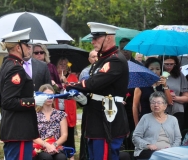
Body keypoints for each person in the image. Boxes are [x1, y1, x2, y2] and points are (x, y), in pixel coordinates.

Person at [66, 22, 129, 160]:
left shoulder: (115, 60)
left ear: (108, 38)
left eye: (96, 38)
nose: (93, 41)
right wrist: (82, 98)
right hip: (96, 118)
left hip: (107, 119)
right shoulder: (102, 60)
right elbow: (97, 89)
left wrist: (74, 85)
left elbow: (94, 83)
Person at [0, 28, 48, 160]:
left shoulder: (6, 65)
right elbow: (7, 101)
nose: (30, 48)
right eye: (26, 45)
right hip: (19, 129)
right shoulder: (16, 68)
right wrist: (33, 101)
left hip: (13, 129)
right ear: (18, 47)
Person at [132, 91, 181, 160]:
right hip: (148, 151)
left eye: (159, 102)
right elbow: (136, 137)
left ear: (165, 106)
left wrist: (172, 149)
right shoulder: (145, 118)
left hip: (169, 152)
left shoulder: (173, 119)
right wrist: (148, 145)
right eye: (153, 102)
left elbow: (178, 138)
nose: (156, 105)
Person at [133, 57, 172, 126]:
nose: (154, 71)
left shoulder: (163, 85)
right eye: (151, 69)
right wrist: (137, 124)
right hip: (145, 120)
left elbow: (169, 102)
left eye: (157, 69)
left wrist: (165, 86)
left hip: (160, 121)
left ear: (161, 70)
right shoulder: (141, 85)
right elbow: (135, 106)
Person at [33, 84, 68, 160]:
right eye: (46, 95)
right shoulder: (34, 115)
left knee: (61, 158)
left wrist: (53, 145)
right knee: (46, 158)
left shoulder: (61, 114)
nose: (49, 98)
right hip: (40, 147)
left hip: (56, 146)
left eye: (51, 95)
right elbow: (33, 136)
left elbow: (64, 135)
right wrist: (46, 145)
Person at [55, 57, 77, 160]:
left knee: (69, 134)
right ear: (57, 66)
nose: (63, 66)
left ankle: (71, 156)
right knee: (58, 134)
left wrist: (66, 82)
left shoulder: (73, 77)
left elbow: (76, 90)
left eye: (65, 64)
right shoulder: (54, 77)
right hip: (57, 109)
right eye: (61, 64)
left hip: (69, 110)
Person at [159, 55, 188, 131]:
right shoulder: (158, 75)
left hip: (177, 110)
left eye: (172, 64)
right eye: (166, 64)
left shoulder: (180, 76)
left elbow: (186, 97)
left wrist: (175, 98)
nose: (169, 66)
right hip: (160, 110)